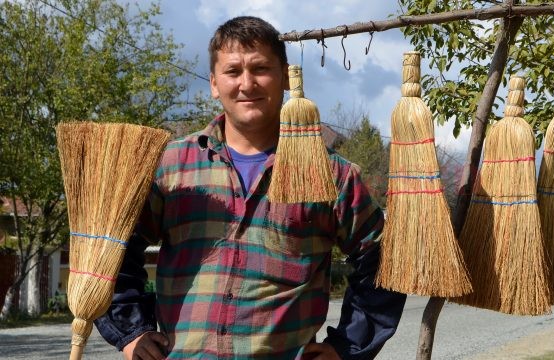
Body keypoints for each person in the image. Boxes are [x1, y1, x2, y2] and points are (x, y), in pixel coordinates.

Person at [95, 16, 406, 360]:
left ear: (285, 77)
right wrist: (131, 333)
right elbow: (111, 249)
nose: (247, 83)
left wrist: (345, 347)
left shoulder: (332, 174)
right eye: (232, 72)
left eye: (260, 68)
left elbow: (384, 263)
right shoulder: (170, 166)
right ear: (214, 83)